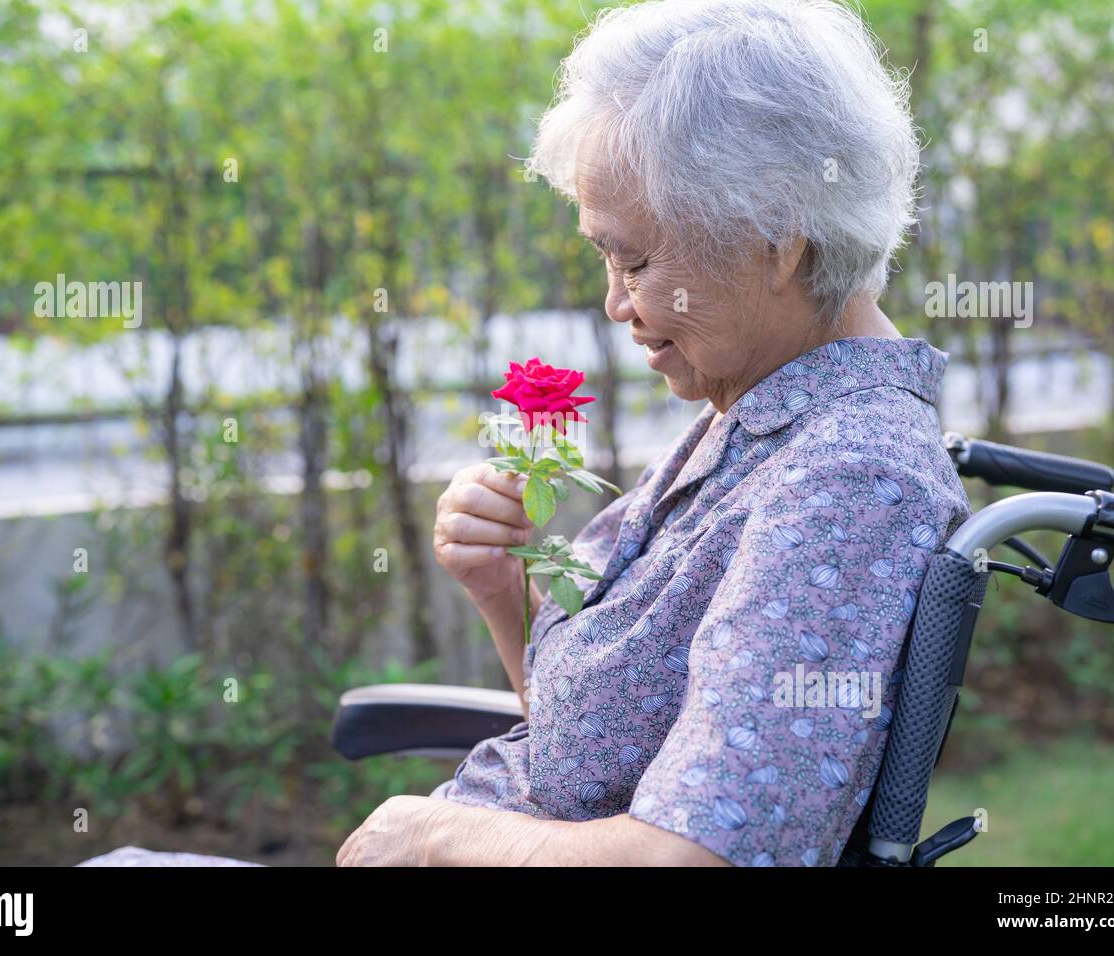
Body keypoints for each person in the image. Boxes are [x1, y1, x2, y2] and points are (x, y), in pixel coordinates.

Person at [338, 0, 970, 866]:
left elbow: (701, 855)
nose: (616, 304)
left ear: (778, 239)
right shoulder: (760, 416)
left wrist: (436, 835)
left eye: (635, 260)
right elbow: (595, 758)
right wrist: (501, 590)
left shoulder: (848, 482)